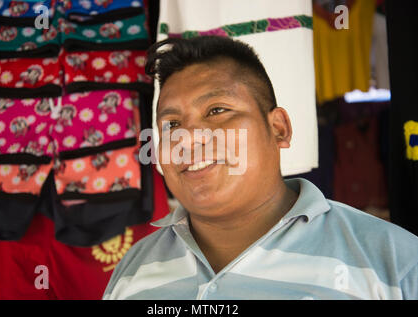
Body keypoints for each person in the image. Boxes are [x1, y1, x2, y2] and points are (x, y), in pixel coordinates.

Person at [103, 36, 418, 300]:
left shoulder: (393, 261)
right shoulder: (132, 272)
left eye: (216, 110)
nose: (188, 139)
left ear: (279, 128)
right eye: (171, 124)